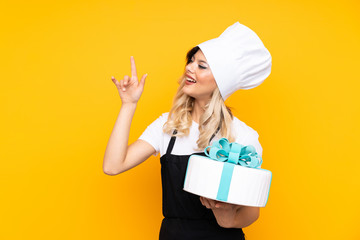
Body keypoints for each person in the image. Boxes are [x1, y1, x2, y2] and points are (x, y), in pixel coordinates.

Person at [103, 22, 272, 240]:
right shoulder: (168, 126)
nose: (189, 67)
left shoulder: (243, 135)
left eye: (202, 66)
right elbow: (113, 166)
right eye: (191, 61)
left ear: (221, 81)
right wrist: (128, 104)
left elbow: (251, 212)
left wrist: (226, 217)